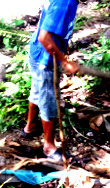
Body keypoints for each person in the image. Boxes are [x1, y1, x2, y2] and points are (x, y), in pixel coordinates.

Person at [22, 0, 81, 160]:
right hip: (45, 59)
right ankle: (49, 147)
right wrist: (65, 62)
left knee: (37, 90)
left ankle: (30, 128)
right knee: (48, 99)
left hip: (38, 53)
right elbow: (44, 36)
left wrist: (63, 48)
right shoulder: (66, 2)